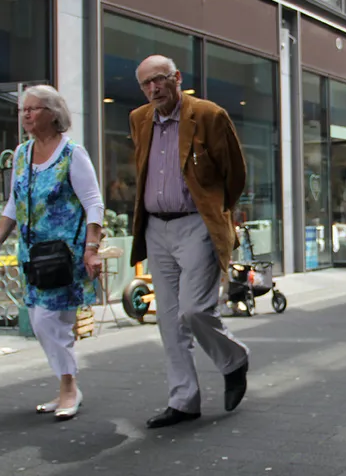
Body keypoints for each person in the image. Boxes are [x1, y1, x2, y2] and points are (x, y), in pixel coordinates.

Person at [130, 55, 250, 429]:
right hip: (156, 228)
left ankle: (234, 360)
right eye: (146, 83)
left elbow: (236, 174)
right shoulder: (139, 119)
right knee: (168, 320)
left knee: (194, 311)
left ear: (177, 78)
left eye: (160, 80)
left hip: (197, 224)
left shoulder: (209, 115)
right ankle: (183, 401)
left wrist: (217, 213)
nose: (154, 88)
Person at [0, 85, 104, 421]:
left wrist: (91, 249)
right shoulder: (21, 153)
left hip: (64, 255)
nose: (26, 115)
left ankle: (69, 388)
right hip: (33, 256)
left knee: (52, 321)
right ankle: (66, 385)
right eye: (23, 109)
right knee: (40, 321)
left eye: (34, 109)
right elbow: (14, 201)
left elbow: (93, 203)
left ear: (53, 114)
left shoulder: (72, 154)